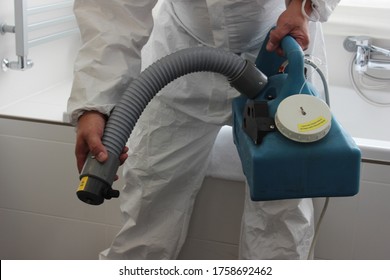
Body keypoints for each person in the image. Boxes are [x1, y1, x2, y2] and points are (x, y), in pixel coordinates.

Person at [68, 0, 340, 259]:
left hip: (280, 47)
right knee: (150, 195)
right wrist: (95, 104)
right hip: (181, 55)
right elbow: (114, 11)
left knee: (283, 207)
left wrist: (302, 7)